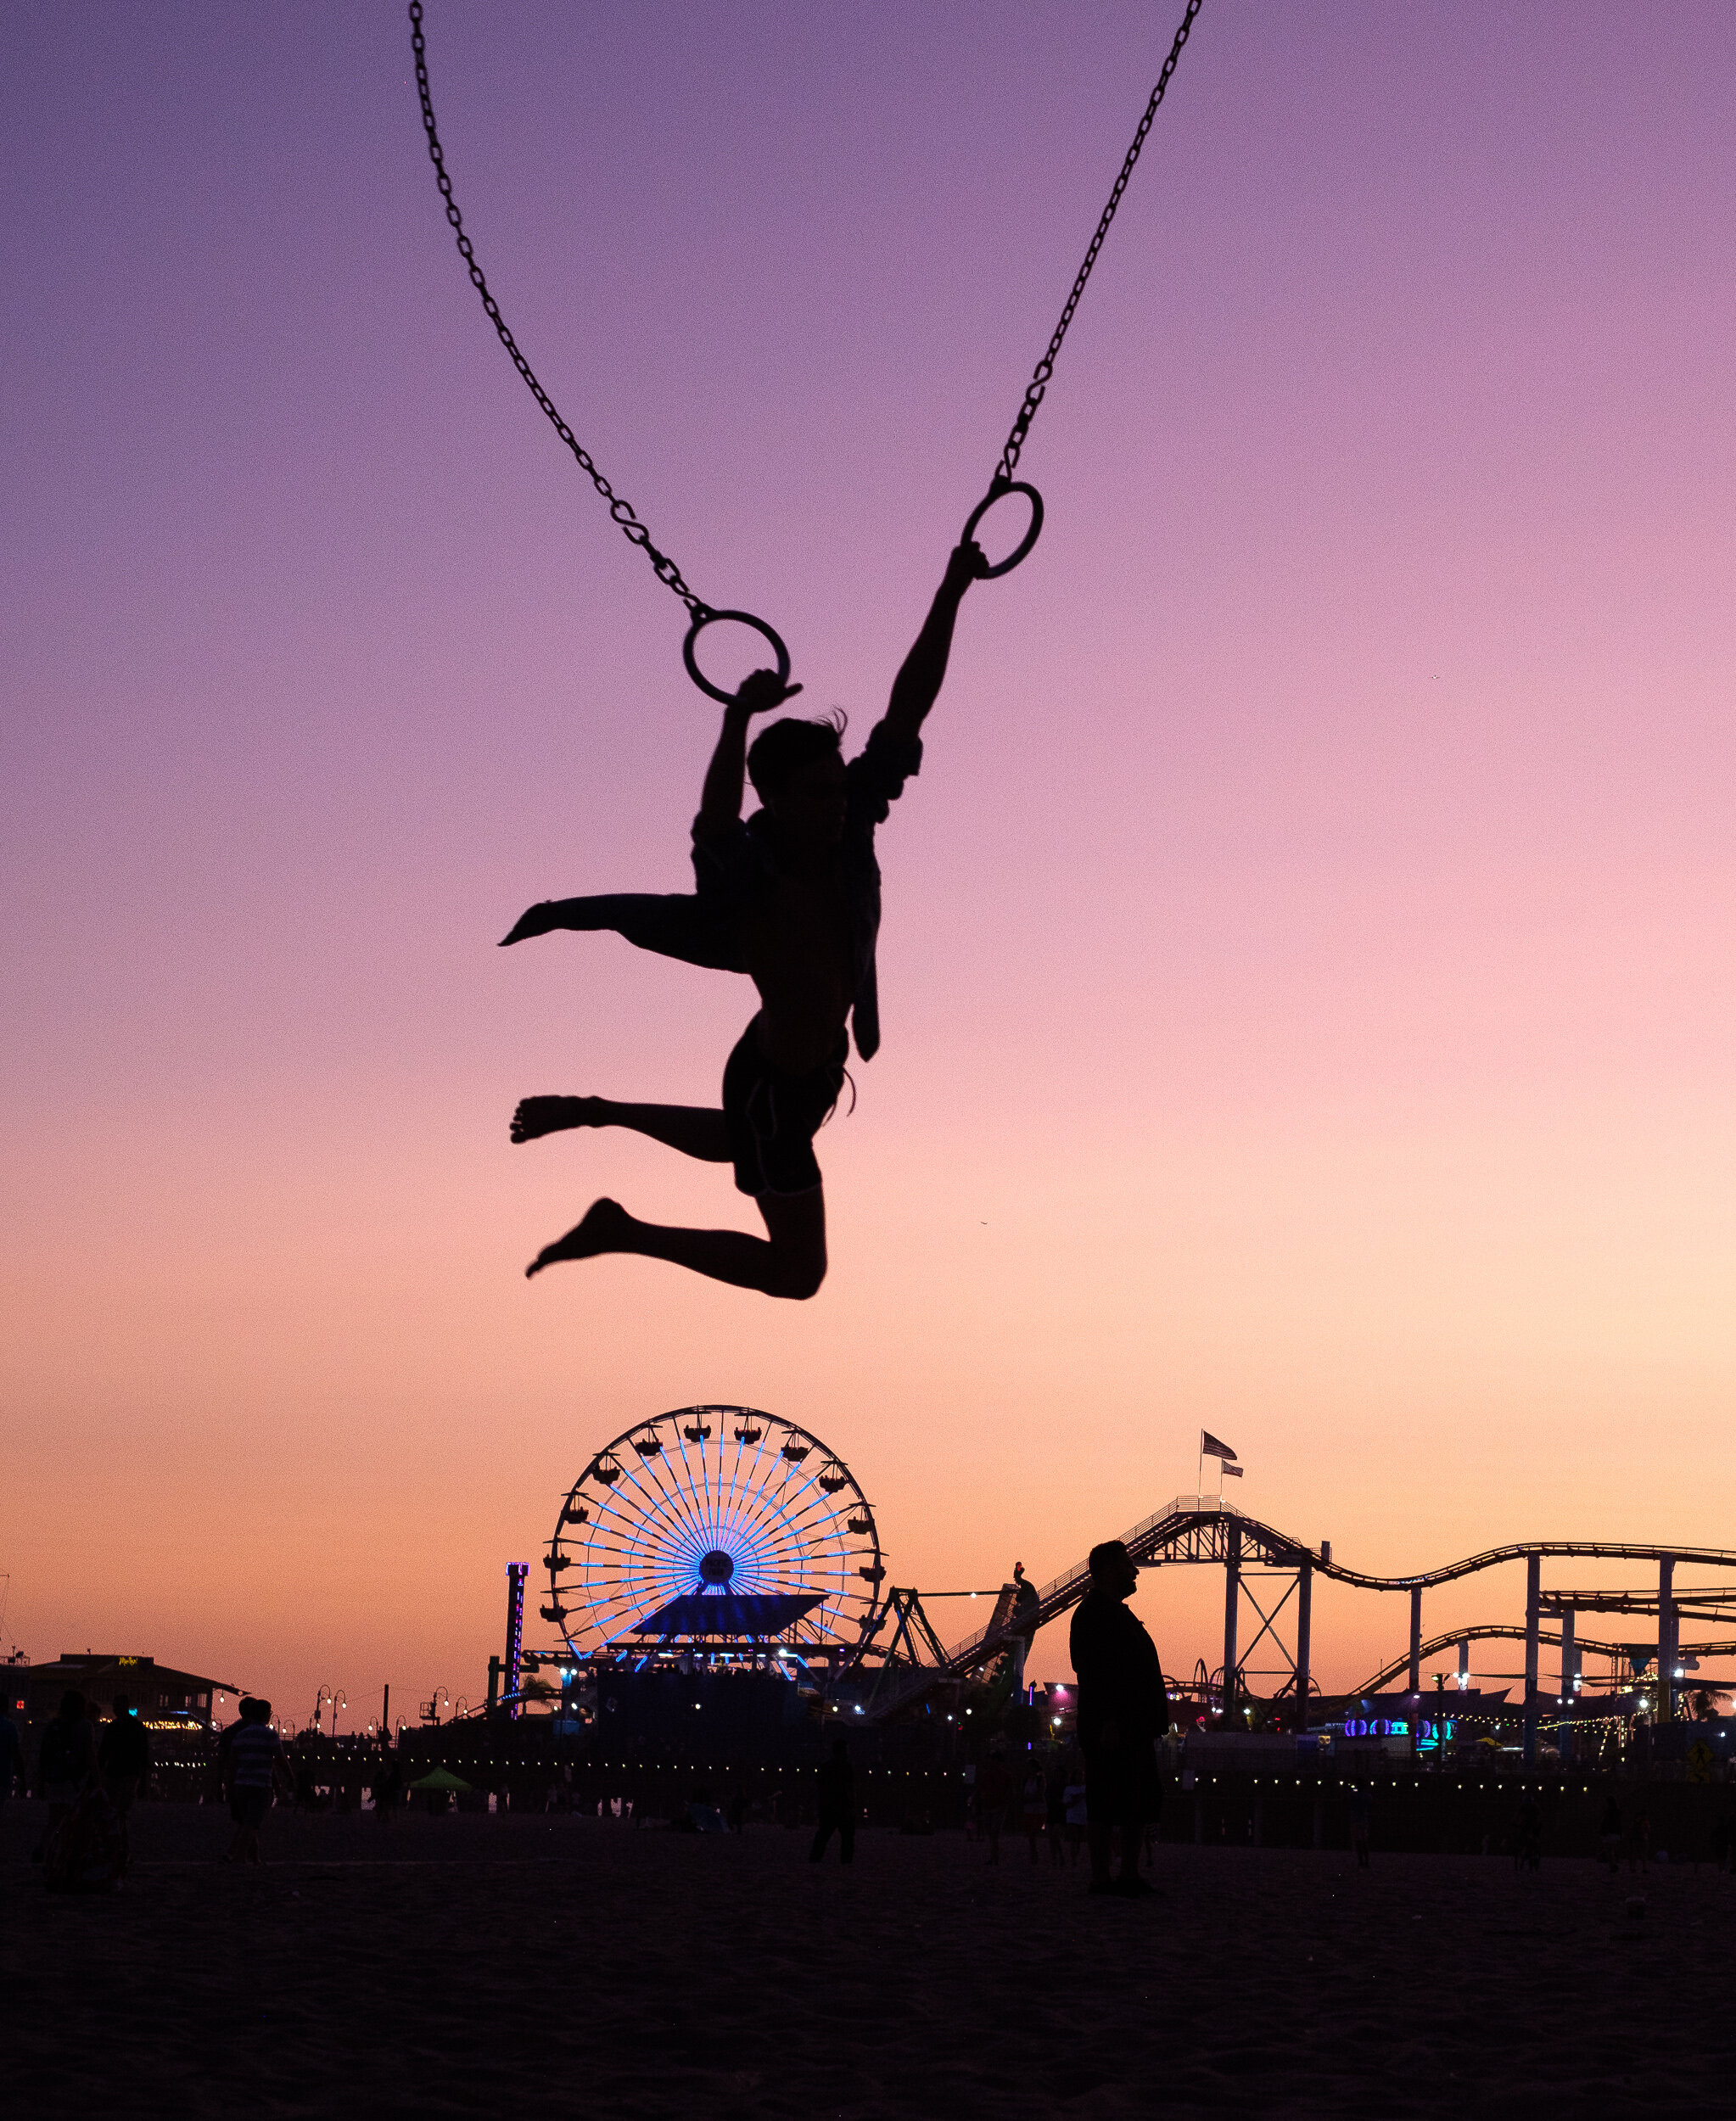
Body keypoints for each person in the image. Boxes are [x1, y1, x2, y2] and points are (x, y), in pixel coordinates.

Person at [505, 540, 990, 1301]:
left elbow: (907, 706)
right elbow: (715, 822)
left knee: (747, 1139)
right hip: (773, 1083)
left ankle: (597, 1112)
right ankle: (622, 1229)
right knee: (799, 1274)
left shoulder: (851, 828)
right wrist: (736, 719)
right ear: (775, 801)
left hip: (791, 1077)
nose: (835, 808)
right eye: (815, 797)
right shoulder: (751, 882)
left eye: (837, 791)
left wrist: (953, 588)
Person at [1069, 1541, 1169, 1898]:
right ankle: (1104, 1876)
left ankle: (1126, 1873)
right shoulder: (1094, 1614)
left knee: (1135, 1800)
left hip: (1133, 1723)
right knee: (1109, 1798)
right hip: (1114, 1725)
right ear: (1109, 1570)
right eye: (1129, 1565)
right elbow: (1095, 1670)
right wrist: (1110, 1720)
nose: (1135, 1571)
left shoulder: (1113, 1612)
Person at [219, 1698, 288, 1865]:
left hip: (238, 1783)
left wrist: (226, 1784)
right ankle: (236, 1854)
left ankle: (254, 1857)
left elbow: (227, 1761)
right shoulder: (265, 1733)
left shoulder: (232, 1732)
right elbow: (276, 1761)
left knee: (247, 1820)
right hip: (259, 1783)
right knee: (252, 1821)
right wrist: (282, 1783)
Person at [34, 1688, 98, 1861]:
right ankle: (69, 1852)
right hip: (76, 1781)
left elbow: (43, 1756)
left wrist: (40, 1781)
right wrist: (97, 1779)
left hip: (55, 1779)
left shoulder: (53, 1726)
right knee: (76, 1819)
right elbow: (90, 1755)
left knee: (54, 1819)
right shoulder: (85, 1726)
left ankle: (43, 1847)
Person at [98, 1692, 152, 1878]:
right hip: (121, 1774)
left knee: (117, 1814)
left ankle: (119, 1849)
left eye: (117, 1705)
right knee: (119, 1814)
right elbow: (144, 1758)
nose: (115, 1708)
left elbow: (103, 1754)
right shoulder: (133, 1728)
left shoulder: (117, 1728)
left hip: (122, 1774)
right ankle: (122, 1849)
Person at [809, 1738, 855, 1865]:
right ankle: (846, 1862)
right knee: (847, 1837)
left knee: (823, 1835)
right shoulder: (846, 1766)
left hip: (828, 1805)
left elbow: (819, 1786)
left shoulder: (826, 1766)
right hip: (841, 1806)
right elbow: (849, 1787)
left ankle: (815, 1859)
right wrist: (851, 1804)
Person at [977, 1745, 1015, 1866]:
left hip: (998, 1806)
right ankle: (994, 1857)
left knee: (994, 1833)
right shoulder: (987, 1774)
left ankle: (994, 1857)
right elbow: (981, 1789)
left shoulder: (1003, 1775)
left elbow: (1009, 1791)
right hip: (990, 1806)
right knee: (991, 1833)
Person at [1063, 1767, 1089, 1866]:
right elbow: (1067, 1804)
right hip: (1072, 1816)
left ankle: (1076, 1855)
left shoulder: (1085, 1788)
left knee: (1079, 1839)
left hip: (1083, 1816)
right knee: (1074, 1838)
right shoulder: (1069, 1789)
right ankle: (1073, 1858)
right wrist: (1078, 1798)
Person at [1347, 1782, 1371, 1869]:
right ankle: (1366, 1861)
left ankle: (1361, 1861)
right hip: (1362, 1820)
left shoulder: (1353, 1795)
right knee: (1364, 1841)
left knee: (1358, 1841)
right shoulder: (1366, 1795)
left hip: (1356, 1820)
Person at [1599, 1795, 1622, 1873]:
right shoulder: (1617, 1811)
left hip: (1609, 1833)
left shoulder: (1608, 1811)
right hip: (1616, 1833)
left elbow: (1605, 1822)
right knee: (1611, 1850)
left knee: (1608, 1851)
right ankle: (1613, 1864)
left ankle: (1612, 1865)